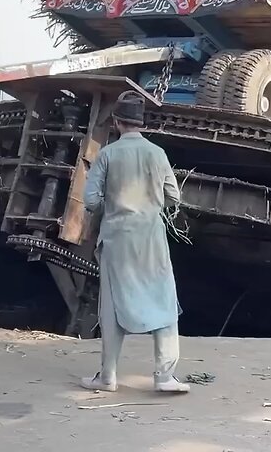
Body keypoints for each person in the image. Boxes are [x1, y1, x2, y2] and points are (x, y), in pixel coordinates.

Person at [80, 91, 189, 395]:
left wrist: (111, 206)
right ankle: (165, 376)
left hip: (117, 239)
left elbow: (90, 200)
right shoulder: (157, 154)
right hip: (151, 238)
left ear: (116, 122)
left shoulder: (107, 154)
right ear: (141, 124)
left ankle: (108, 377)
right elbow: (173, 197)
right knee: (164, 300)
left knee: (112, 307)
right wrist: (150, 204)